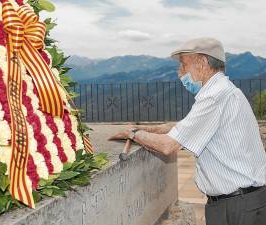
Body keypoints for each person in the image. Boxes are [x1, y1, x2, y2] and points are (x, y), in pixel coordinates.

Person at [109, 37, 266, 225]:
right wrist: (145, 129)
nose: (179, 73)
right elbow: (181, 128)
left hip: (237, 207)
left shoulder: (214, 97)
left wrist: (132, 134)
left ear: (202, 63)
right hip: (241, 201)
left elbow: (169, 146)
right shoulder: (224, 91)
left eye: (183, 65)